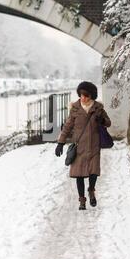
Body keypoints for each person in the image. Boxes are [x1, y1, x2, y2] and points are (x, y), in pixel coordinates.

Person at [55, 81, 112, 210]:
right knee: (78, 175)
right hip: (79, 147)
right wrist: (60, 143)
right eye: (81, 95)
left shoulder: (98, 108)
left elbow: (108, 123)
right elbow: (67, 127)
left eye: (86, 95)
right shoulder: (75, 108)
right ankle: (82, 200)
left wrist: (102, 120)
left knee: (93, 173)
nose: (83, 98)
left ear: (92, 96)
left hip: (93, 146)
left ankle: (91, 190)